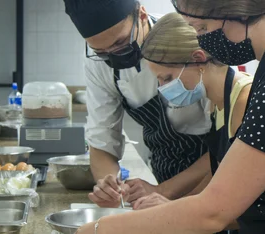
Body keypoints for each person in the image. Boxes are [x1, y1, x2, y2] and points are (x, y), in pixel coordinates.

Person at [75, 0, 265, 234]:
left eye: (202, 27)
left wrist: (100, 228)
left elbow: (213, 212)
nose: (202, 42)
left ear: (235, 11)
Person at [63, 0, 213, 208]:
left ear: (142, 15)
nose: (114, 56)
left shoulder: (185, 39)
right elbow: (102, 139)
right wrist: (112, 187)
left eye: (121, 43)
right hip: (164, 172)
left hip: (214, 174)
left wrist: (165, 192)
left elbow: (227, 146)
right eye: (102, 53)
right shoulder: (98, 65)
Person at [132, 13, 252, 215]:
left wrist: (173, 209)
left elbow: (238, 195)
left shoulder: (243, 99)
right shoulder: (216, 103)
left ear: (198, 59)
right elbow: (217, 175)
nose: (163, 89)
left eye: (167, 78)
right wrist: (174, 204)